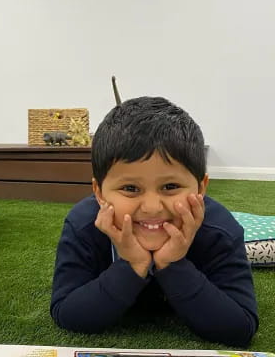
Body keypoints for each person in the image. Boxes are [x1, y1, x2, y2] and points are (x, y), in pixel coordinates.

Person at [50, 97, 258, 347]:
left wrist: (172, 263)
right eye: (130, 188)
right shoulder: (83, 225)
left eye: (170, 187)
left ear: (201, 188)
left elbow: (240, 327)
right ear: (100, 193)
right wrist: (132, 264)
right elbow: (67, 314)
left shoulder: (220, 230)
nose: (151, 208)